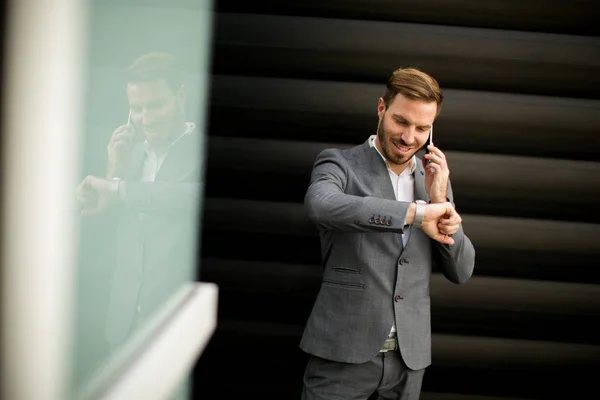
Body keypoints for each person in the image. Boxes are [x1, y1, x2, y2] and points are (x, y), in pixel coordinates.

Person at [300, 67, 476, 400]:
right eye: (401, 122)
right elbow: (320, 204)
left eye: (422, 128)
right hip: (342, 354)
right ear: (381, 108)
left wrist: (439, 199)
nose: (410, 137)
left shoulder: (433, 180)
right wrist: (416, 212)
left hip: (408, 362)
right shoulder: (339, 164)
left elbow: (462, 271)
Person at [76, 52, 203, 351]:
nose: (146, 119)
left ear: (180, 95)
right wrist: (114, 173)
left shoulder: (202, 150)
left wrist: (119, 189)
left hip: (177, 328)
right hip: (121, 328)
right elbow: (98, 240)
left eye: (156, 105)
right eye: (137, 108)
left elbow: (189, 197)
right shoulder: (128, 158)